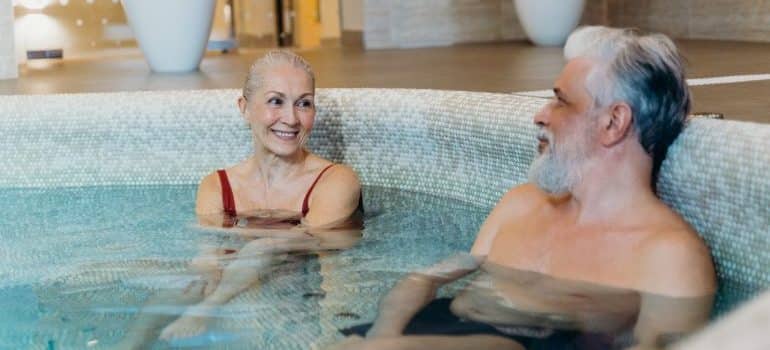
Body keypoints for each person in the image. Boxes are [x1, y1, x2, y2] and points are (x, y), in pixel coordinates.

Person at [330, 26, 716, 350]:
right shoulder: (521, 204)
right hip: (428, 330)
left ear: (614, 122)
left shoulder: (669, 257)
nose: (540, 114)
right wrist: (385, 335)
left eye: (560, 101)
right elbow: (426, 279)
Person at [118, 50, 363, 347]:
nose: (291, 118)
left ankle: (204, 312)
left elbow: (314, 252)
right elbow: (208, 260)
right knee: (185, 283)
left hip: (307, 295)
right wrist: (203, 275)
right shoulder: (216, 187)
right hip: (243, 292)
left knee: (267, 244)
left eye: (304, 104)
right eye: (276, 101)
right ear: (245, 108)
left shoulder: (336, 181)